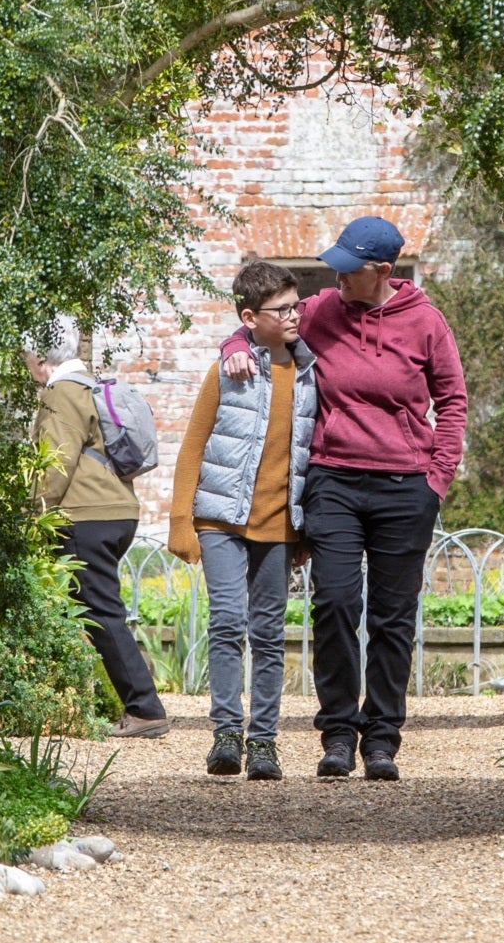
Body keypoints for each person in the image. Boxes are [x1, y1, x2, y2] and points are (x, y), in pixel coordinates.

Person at [218, 216, 465, 781]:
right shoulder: (324, 309)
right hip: (334, 481)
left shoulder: (426, 323)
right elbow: (264, 322)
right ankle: (335, 734)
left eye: (349, 268)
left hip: (406, 487)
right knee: (334, 603)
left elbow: (452, 402)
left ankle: (381, 740)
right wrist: (235, 340)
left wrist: (436, 480)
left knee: (392, 618)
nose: (336, 275)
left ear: (382, 271)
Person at [166, 260, 319, 783]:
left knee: (270, 633)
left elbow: (307, 455)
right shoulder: (228, 370)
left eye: (296, 305)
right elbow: (192, 448)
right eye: (283, 310)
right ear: (251, 318)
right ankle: (226, 732)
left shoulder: (308, 373)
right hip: (221, 521)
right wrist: (179, 521)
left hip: (278, 525)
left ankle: (264, 742)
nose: (295, 315)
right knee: (229, 621)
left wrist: (304, 530)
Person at [27, 324, 170, 739]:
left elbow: (56, 461)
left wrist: (35, 513)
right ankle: (127, 702)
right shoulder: (90, 383)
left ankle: (145, 709)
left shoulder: (61, 392)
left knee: (101, 611)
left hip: (84, 514)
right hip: (118, 510)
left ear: (39, 357)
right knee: (99, 608)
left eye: (27, 357)